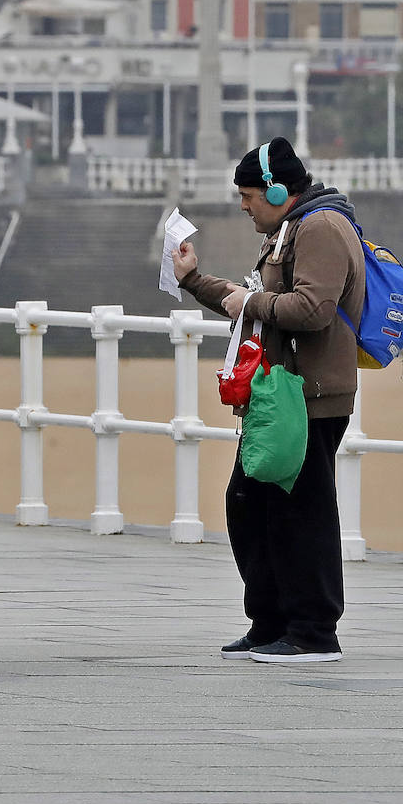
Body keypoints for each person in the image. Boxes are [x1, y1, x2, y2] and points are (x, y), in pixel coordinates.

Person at [172, 137, 364, 663]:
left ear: (278, 190)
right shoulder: (291, 229)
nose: (243, 205)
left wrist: (249, 300)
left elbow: (313, 308)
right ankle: (271, 621)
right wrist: (194, 280)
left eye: (249, 195)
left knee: (302, 511)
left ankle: (314, 631)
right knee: (252, 504)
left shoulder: (321, 228)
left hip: (310, 397)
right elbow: (257, 302)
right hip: (279, 395)